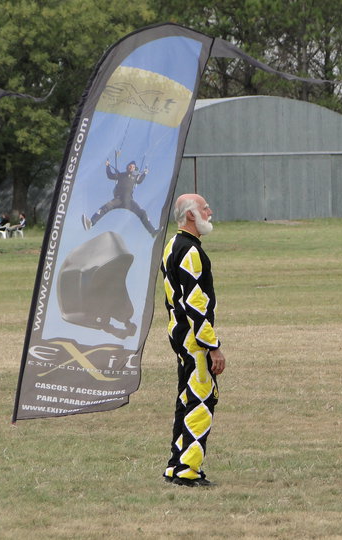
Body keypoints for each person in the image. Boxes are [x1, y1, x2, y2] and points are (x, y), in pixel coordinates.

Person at [161, 193, 226, 487]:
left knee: (185, 401)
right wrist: (213, 347)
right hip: (193, 341)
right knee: (201, 401)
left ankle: (176, 465)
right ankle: (188, 470)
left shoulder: (171, 246)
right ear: (191, 215)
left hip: (179, 336)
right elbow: (196, 304)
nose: (209, 211)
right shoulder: (191, 251)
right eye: (204, 208)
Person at [82, 153, 158, 237]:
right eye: (130, 166)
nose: (131, 167)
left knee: (142, 213)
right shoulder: (121, 175)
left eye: (133, 166)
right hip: (118, 199)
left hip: (129, 200)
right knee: (105, 207)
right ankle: (91, 223)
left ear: (134, 169)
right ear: (127, 167)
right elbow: (110, 175)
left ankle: (153, 232)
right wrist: (107, 166)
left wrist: (144, 174)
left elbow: (140, 181)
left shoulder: (135, 177)